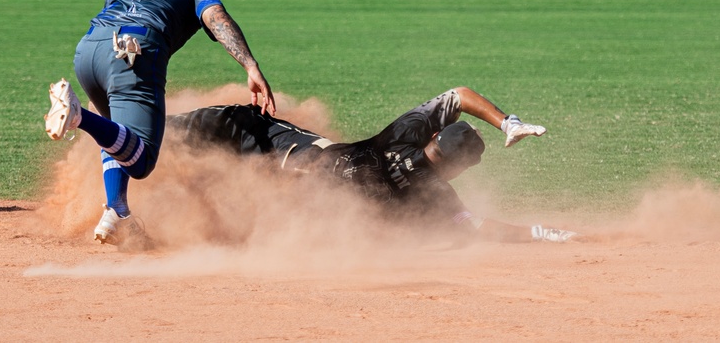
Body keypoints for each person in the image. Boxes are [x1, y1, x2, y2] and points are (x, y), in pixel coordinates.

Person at [44, 0, 276, 248]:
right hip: (133, 51)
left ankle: (117, 211)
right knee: (141, 161)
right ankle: (77, 115)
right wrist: (250, 65)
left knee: (116, 134)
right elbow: (215, 18)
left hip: (87, 50)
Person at [168, 87, 576, 244]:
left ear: (434, 138)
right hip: (289, 210)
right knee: (216, 187)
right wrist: (543, 232)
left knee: (220, 127)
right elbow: (481, 228)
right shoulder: (434, 197)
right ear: (460, 170)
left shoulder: (400, 137)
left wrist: (508, 122)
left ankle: (125, 132)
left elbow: (460, 94)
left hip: (291, 155)